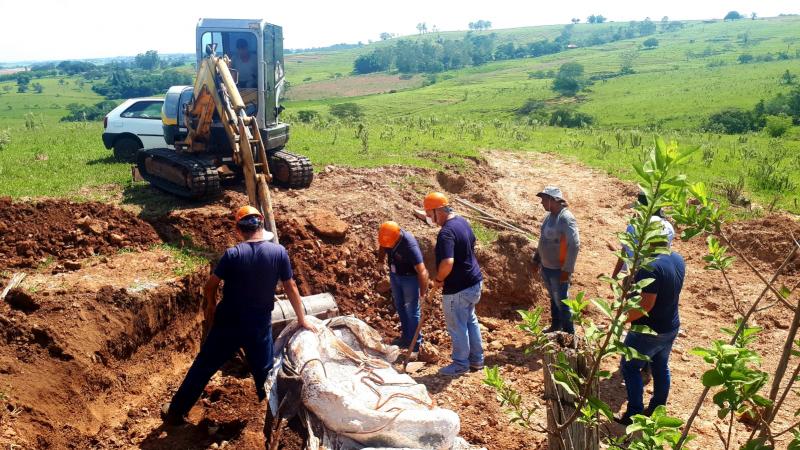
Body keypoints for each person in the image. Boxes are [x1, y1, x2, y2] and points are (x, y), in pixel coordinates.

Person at [161, 205, 317, 425]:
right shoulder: (278, 252)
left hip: (228, 323)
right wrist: (302, 319)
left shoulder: (233, 255)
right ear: (261, 222)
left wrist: (211, 306)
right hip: (258, 325)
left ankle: (175, 412)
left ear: (239, 229)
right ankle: (277, 419)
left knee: (204, 366)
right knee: (264, 372)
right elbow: (291, 287)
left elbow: (210, 286)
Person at [616, 226, 685, 425]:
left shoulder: (650, 265)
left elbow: (646, 305)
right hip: (670, 326)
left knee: (629, 368)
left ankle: (634, 414)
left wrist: (622, 319)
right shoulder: (677, 259)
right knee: (660, 366)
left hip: (646, 330)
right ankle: (657, 408)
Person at [424, 192, 484, 377]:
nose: (429, 219)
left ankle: (460, 364)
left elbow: (447, 262)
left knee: (457, 326)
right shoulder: (462, 222)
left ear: (438, 211)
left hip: (457, 288)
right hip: (474, 282)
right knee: (469, 320)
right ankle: (476, 360)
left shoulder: (446, 233)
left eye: (429, 214)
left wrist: (440, 280)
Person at [532, 186, 580, 334]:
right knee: (554, 298)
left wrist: (567, 270)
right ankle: (556, 326)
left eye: (544, 199)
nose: (542, 203)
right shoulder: (549, 217)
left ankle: (569, 335)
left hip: (559, 270)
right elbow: (543, 239)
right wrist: (537, 258)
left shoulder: (565, 218)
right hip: (547, 267)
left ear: (554, 200)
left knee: (563, 303)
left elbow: (574, 244)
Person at [377, 221, 429, 352]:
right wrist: (380, 261)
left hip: (409, 278)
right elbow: (382, 246)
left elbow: (423, 272)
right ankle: (406, 339)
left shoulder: (409, 245)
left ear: (397, 236)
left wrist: (423, 295)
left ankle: (415, 346)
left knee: (411, 310)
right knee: (400, 306)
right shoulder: (388, 237)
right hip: (395, 275)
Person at [612, 192, 675, 278]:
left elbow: (624, 252)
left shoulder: (634, 226)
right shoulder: (669, 228)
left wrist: (615, 276)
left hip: (632, 275)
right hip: (655, 274)